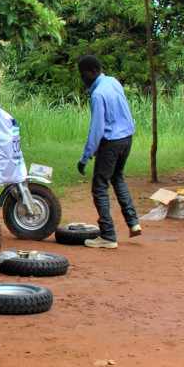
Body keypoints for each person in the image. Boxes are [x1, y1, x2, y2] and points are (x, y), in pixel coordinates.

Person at [76, 55, 141, 249]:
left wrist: (85, 157)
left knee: (99, 187)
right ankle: (133, 222)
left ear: (93, 71)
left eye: (84, 74)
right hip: (127, 138)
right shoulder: (113, 82)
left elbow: (96, 129)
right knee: (118, 178)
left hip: (111, 142)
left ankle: (108, 235)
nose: (83, 78)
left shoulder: (97, 95)